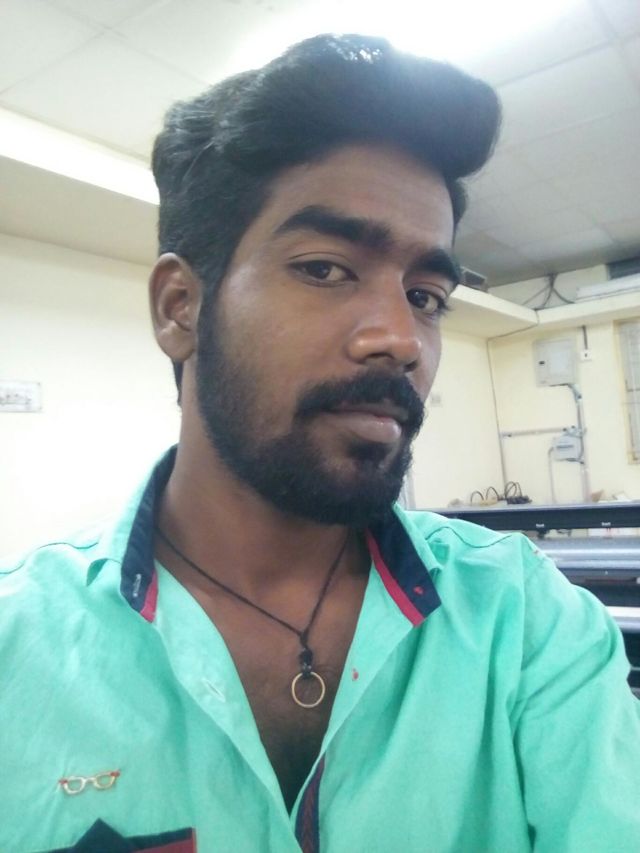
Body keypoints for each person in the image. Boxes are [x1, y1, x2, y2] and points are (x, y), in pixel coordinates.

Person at [1, 33, 639, 853]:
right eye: (326, 269)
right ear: (179, 307)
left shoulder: (526, 622)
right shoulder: (20, 648)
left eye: (425, 295)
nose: (400, 339)